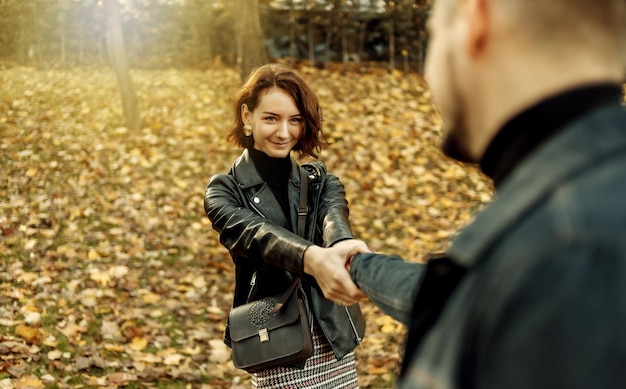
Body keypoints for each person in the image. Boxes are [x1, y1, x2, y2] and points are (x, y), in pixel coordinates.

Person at [311, 0, 626, 388]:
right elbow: (461, 295)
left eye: (432, 33)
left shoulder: (569, 251)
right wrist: (359, 267)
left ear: (476, 20)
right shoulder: (576, 210)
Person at [204, 63, 366, 388]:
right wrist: (312, 258)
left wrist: (341, 248)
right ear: (247, 117)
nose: (284, 132)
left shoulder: (320, 180)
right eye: (271, 118)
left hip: (330, 331)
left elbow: (333, 218)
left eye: (294, 120)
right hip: (273, 334)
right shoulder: (223, 191)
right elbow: (257, 235)